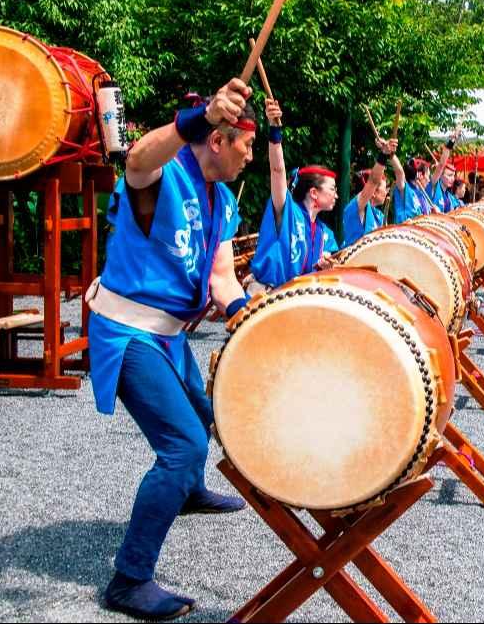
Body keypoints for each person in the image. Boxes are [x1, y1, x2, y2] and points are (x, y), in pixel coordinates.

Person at [86, 79, 254, 620]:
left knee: (204, 416)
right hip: (128, 330)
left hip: (170, 334)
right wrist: (200, 115)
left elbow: (222, 279)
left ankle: (187, 491)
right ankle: (129, 579)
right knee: (181, 445)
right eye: (245, 145)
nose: (249, 156)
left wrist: (245, 315)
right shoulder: (164, 176)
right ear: (219, 141)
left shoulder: (222, 200)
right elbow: (135, 158)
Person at [248, 99, 338, 291]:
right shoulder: (286, 210)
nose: (336, 195)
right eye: (332, 189)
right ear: (314, 193)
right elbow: (277, 170)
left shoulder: (322, 231)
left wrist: (325, 268)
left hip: (294, 299)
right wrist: (275, 130)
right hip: (267, 294)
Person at [342, 137, 397, 247]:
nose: (387, 190)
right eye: (384, 187)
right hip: (356, 263)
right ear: (373, 192)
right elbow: (373, 181)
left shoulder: (378, 215)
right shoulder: (356, 208)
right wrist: (383, 154)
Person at [427, 133, 462, 212]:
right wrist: (451, 142)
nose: (452, 179)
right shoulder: (434, 186)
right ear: (440, 176)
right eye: (449, 175)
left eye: (453, 175)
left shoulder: (449, 196)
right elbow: (441, 165)